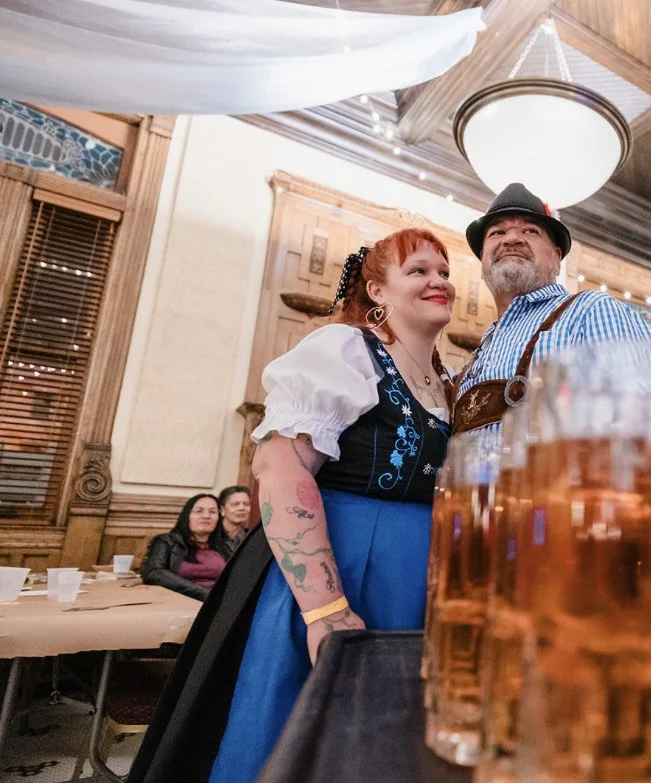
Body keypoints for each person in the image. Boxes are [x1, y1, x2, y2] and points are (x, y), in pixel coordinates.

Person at [129, 228, 455, 783]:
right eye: (418, 270)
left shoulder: (443, 383)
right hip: (342, 569)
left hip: (413, 581)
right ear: (376, 290)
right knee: (307, 737)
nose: (438, 281)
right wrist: (325, 611)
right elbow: (279, 470)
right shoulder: (345, 349)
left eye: (444, 272)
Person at [452, 182, 651, 437]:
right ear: (483, 257)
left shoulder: (591, 311)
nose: (512, 239)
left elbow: (644, 428)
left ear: (557, 258)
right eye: (497, 232)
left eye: (530, 231)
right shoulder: (477, 357)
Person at [141, 493, 233, 601]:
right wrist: (203, 594)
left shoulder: (226, 546)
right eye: (199, 511)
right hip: (179, 602)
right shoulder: (167, 542)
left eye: (212, 512)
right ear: (187, 515)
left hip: (222, 604)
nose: (206, 516)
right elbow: (154, 573)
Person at [217, 485, 251, 552]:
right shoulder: (211, 536)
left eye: (246, 504)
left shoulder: (252, 537)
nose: (242, 508)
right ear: (222, 509)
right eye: (235, 504)